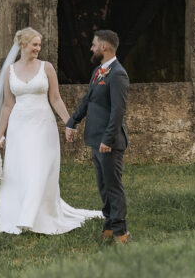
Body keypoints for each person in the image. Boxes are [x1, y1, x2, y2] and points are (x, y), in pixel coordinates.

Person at [0, 27, 102, 234]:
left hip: (43, 126)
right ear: (22, 45)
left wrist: (69, 122)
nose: (38, 48)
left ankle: (31, 218)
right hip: (18, 127)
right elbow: (7, 104)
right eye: (34, 45)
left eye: (39, 45)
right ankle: (16, 214)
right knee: (19, 170)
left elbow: (55, 99)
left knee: (39, 168)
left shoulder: (46, 68)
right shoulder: (10, 71)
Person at [65, 30, 130, 244]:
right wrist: (72, 121)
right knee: (103, 186)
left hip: (108, 143)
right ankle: (109, 226)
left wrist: (108, 140)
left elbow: (118, 111)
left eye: (94, 45)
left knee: (113, 186)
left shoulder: (118, 74)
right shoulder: (98, 71)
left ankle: (121, 232)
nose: (91, 48)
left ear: (104, 47)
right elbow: (87, 100)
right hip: (95, 140)